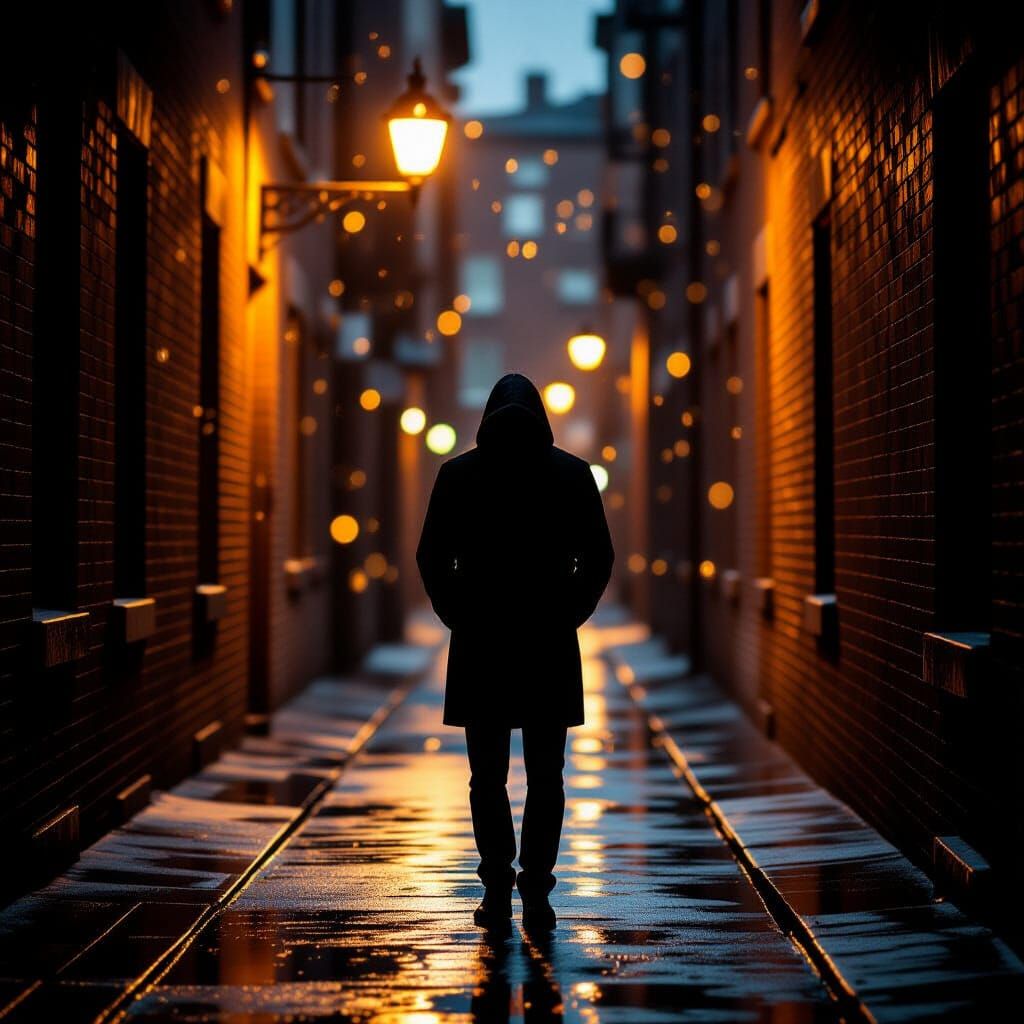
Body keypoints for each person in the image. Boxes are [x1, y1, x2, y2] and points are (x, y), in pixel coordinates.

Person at [416, 373, 615, 930]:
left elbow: (432, 556)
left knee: (487, 777)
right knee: (547, 775)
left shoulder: (458, 475)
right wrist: (568, 612)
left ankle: (497, 887)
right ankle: (537, 892)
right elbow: (598, 556)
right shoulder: (571, 475)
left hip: (481, 645)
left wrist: (460, 613)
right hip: (548, 644)